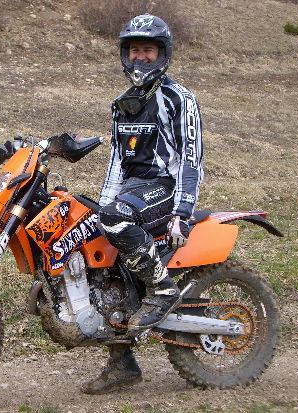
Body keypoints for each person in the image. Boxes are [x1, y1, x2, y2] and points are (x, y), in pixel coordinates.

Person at [81, 14, 203, 394]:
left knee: (114, 218)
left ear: (162, 54)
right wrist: (101, 209)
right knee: (100, 253)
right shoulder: (122, 103)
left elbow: (191, 159)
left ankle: (163, 289)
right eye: (134, 49)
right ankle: (122, 363)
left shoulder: (179, 99)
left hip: (166, 187)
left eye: (148, 49)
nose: (141, 57)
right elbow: (117, 161)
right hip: (134, 190)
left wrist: (181, 213)